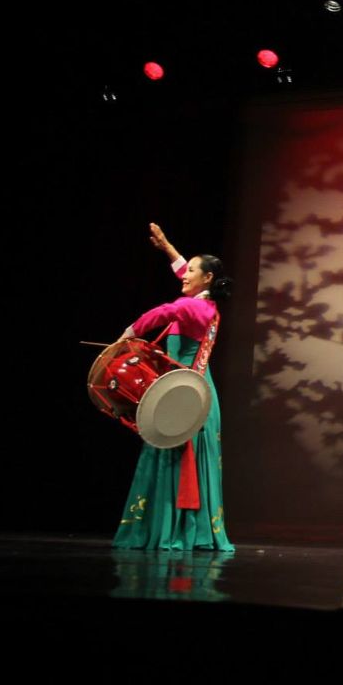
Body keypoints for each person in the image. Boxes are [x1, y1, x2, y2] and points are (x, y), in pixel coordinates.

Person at [112, 223, 233, 551]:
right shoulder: (205, 304)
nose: (184, 274)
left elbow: (166, 311)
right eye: (186, 268)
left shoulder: (193, 308)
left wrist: (130, 331)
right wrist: (168, 247)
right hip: (190, 392)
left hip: (187, 397)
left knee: (177, 458)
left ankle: (178, 530)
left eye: (192, 271)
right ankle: (171, 526)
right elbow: (185, 274)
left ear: (207, 279)